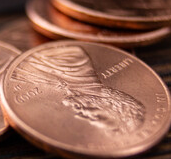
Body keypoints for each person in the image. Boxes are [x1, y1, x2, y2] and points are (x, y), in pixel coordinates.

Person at [11, 45, 145, 137]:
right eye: (95, 115)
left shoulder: (59, 91)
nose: (81, 114)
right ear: (111, 105)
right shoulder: (75, 61)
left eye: (87, 118)